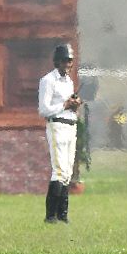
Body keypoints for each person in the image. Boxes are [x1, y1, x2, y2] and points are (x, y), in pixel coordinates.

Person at [38, 43, 81, 224]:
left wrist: (74, 104)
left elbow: (68, 106)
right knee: (59, 170)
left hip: (71, 125)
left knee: (68, 172)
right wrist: (64, 105)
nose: (67, 64)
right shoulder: (48, 80)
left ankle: (62, 215)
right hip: (57, 126)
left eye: (70, 60)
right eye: (64, 60)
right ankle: (50, 216)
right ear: (57, 61)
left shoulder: (69, 81)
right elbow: (44, 109)